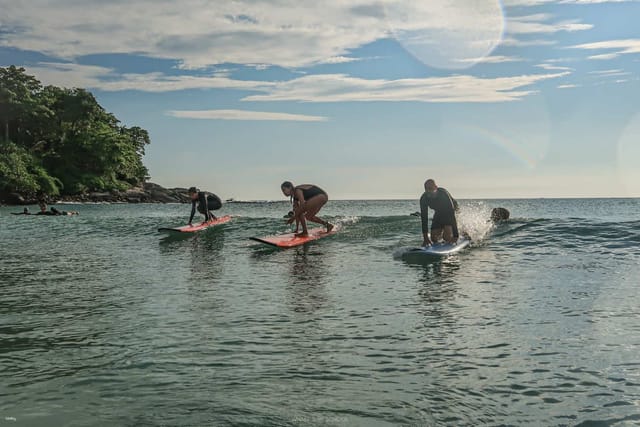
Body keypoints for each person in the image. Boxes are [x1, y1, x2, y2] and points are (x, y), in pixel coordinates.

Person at [420, 179, 459, 246]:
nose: (428, 191)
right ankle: (446, 231)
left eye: (430, 188)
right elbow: (424, 218)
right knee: (434, 239)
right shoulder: (424, 199)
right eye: (426, 189)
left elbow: (452, 214)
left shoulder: (443, 194)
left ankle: (457, 232)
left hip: (451, 211)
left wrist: (456, 236)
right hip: (438, 213)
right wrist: (425, 238)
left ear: (436, 187)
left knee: (447, 238)